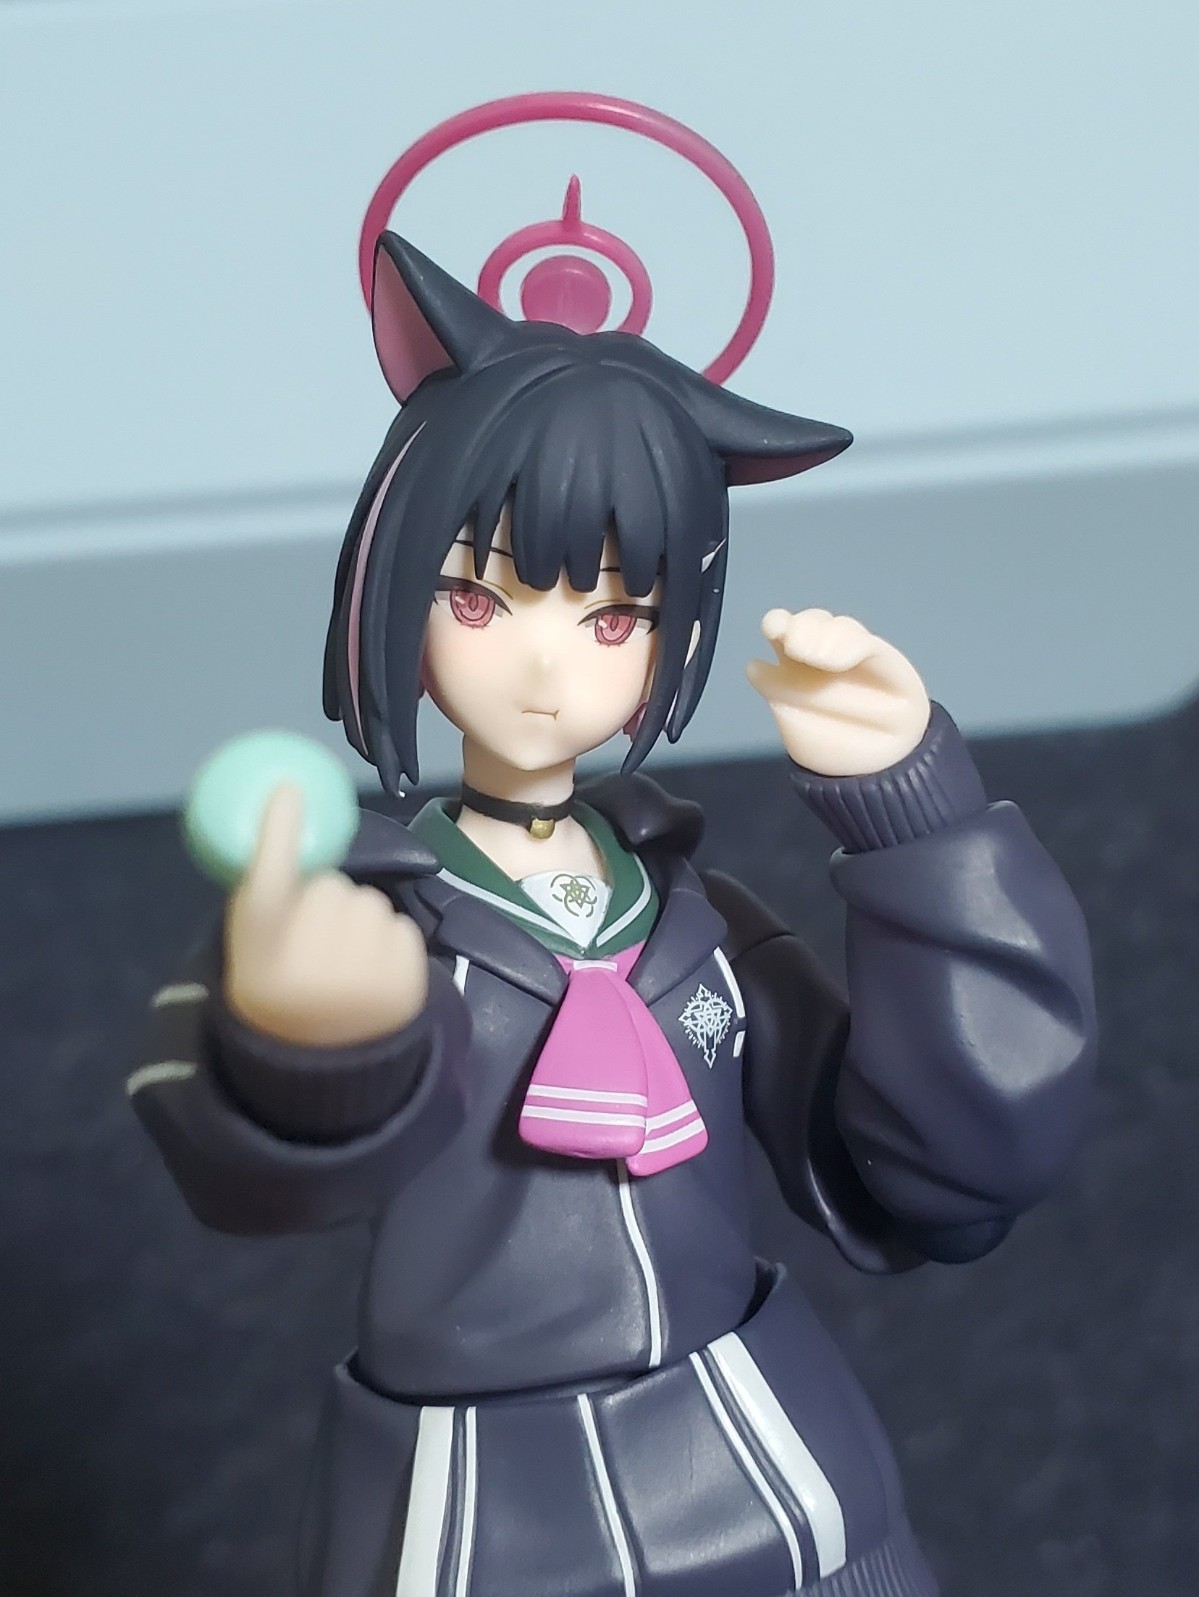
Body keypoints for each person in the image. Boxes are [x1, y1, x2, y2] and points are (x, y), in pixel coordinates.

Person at [130, 234, 1097, 1597]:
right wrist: (308, 1048)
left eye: (611, 615)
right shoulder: (382, 924)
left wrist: (917, 825)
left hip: (767, 1460)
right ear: (395, 588)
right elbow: (242, 1163)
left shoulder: (697, 924)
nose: (541, 665)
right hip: (481, 1514)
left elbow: (940, 1178)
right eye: (479, 595)